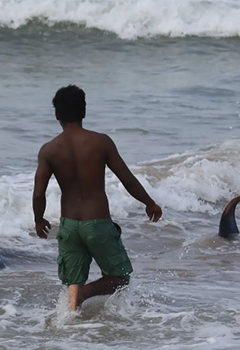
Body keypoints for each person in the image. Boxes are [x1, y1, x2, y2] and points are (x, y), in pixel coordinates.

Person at [33, 85, 162, 311]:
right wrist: (149, 203)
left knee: (71, 282)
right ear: (84, 112)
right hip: (98, 223)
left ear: (56, 115)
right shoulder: (100, 142)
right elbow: (127, 179)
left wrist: (39, 218)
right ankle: (85, 294)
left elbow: (38, 192)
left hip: (69, 226)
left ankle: (73, 325)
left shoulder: (48, 150)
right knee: (120, 277)